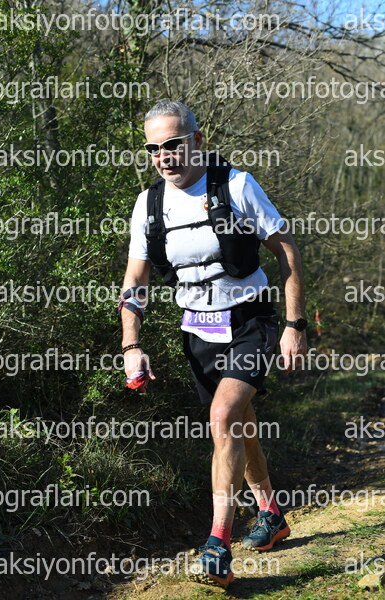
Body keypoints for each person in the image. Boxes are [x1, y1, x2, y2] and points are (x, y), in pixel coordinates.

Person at [120, 100, 307, 588]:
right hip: (198, 329)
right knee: (238, 422)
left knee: (222, 416)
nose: (164, 156)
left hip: (250, 319)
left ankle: (217, 544)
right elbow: (135, 283)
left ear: (197, 141)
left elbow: (286, 250)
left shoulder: (236, 186)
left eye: (173, 144)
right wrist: (131, 345)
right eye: (154, 149)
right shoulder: (148, 204)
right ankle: (270, 511)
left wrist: (294, 325)